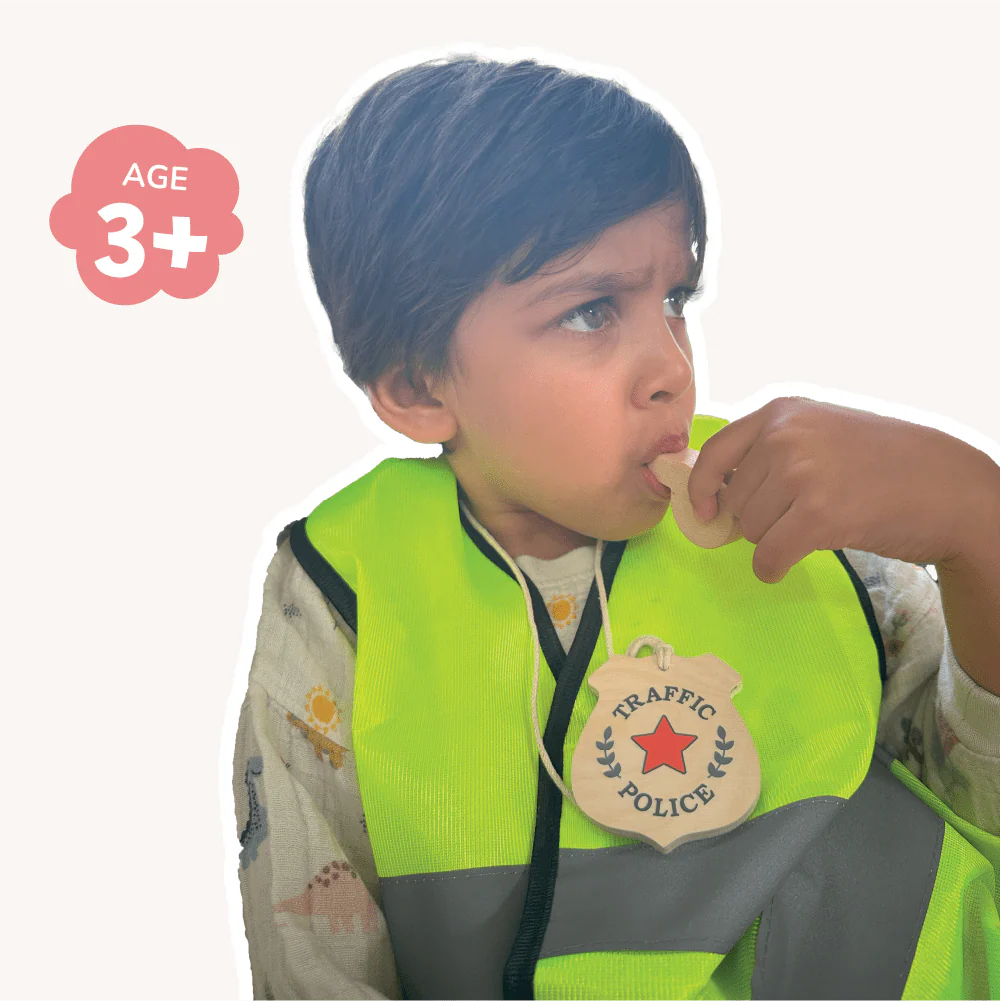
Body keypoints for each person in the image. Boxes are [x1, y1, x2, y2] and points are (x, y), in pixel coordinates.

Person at [232, 53, 1000, 1000]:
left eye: (675, 299)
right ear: (419, 386)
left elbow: (982, 804)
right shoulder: (342, 586)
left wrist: (979, 526)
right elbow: (311, 957)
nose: (672, 365)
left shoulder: (804, 517)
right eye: (591, 311)